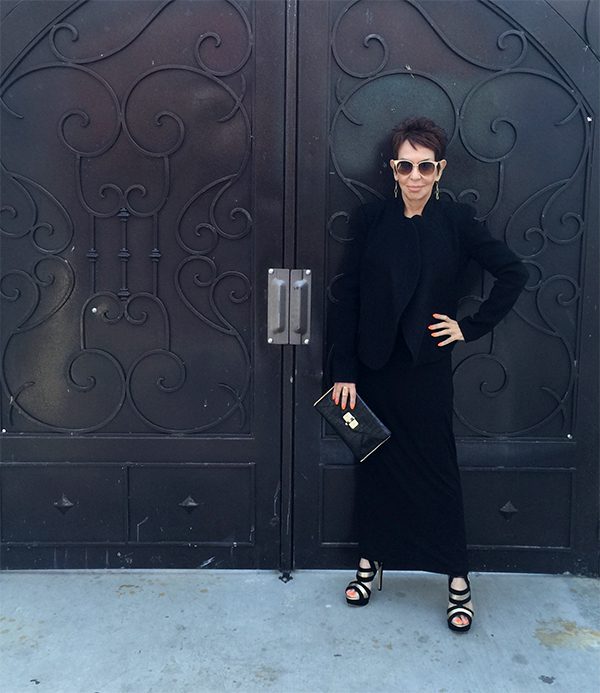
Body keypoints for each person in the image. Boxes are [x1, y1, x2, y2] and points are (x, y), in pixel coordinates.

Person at [329, 116, 528, 632]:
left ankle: (456, 579)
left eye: (424, 166)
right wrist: (342, 370)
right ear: (392, 170)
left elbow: (513, 272)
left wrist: (469, 328)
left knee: (438, 470)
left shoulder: (457, 221)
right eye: (405, 165)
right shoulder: (371, 218)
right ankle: (370, 564)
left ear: (439, 170)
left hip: (426, 368)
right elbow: (346, 297)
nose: (414, 175)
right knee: (375, 466)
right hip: (373, 368)